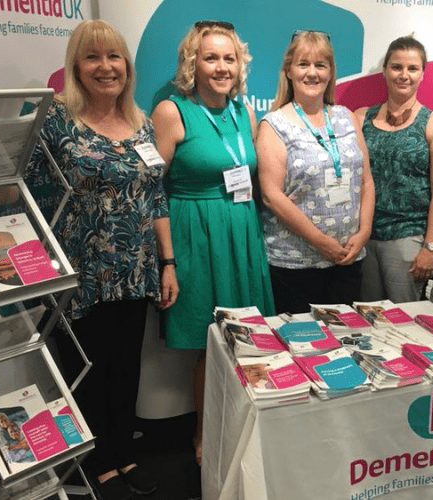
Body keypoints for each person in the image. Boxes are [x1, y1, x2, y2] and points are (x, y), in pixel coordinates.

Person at [25, 19, 177, 500]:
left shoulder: (142, 122)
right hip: (80, 272)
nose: (106, 67)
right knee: (85, 367)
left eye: (114, 57)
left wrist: (168, 262)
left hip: (135, 270)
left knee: (126, 364)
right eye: (93, 57)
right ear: (76, 66)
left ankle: (122, 450)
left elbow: (155, 199)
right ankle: (95, 460)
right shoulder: (57, 123)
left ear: (126, 66)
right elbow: (29, 196)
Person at [151, 21, 275, 466]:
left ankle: (247, 427)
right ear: (193, 63)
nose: (221, 67)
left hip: (241, 229)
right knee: (210, 343)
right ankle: (204, 437)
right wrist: (167, 260)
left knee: (247, 337)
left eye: (229, 58)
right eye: (211, 58)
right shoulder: (172, 111)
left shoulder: (244, 112)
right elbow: (151, 191)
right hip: (194, 234)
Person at [257, 31, 374, 314]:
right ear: (289, 70)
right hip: (296, 264)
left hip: (348, 258)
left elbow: (367, 182)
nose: (312, 73)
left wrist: (365, 232)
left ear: (331, 72)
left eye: (320, 65)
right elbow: (273, 196)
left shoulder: (347, 117)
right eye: (303, 64)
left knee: (344, 344)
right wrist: (322, 242)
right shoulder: (274, 124)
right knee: (303, 348)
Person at [355, 36, 433, 303]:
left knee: (403, 322)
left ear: (422, 73)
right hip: (363, 238)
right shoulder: (361, 117)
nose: (404, 75)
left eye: (412, 68)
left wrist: (430, 247)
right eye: (396, 67)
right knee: (366, 319)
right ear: (385, 70)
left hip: (408, 239)